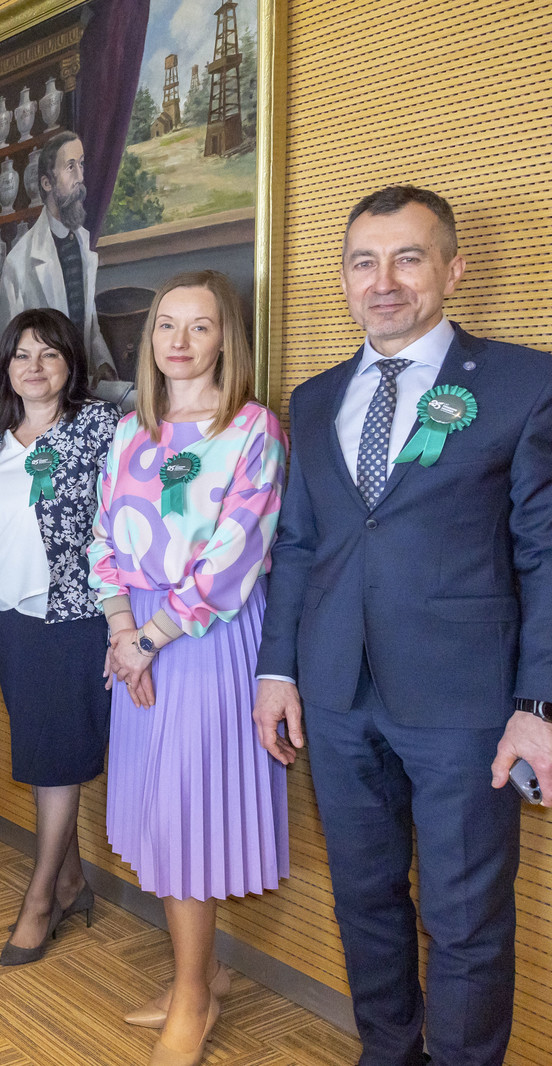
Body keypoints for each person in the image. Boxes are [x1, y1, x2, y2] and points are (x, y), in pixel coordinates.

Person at [252, 186, 552, 1066]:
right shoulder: (315, 399)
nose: (383, 281)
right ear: (346, 278)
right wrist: (278, 671)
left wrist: (538, 704)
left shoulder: (525, 384)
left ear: (452, 271)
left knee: (466, 920)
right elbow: (299, 545)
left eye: (407, 258)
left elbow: (545, 553)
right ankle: (387, 1052)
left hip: (466, 706)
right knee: (365, 899)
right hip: (337, 696)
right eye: (364, 262)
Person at [89, 269, 288, 1066]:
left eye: (199, 326)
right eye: (166, 325)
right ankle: (198, 979)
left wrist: (150, 639)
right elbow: (103, 540)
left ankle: (195, 998)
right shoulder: (130, 430)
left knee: (188, 816)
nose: (179, 341)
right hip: (134, 637)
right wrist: (121, 631)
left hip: (206, 641)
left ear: (225, 339)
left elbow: (236, 555)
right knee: (158, 813)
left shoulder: (252, 430)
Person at [0, 308, 117, 966]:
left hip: (73, 619)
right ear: (6, 367)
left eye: (50, 354)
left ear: (71, 364)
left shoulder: (101, 427)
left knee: (55, 764)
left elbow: (121, 523)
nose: (35, 366)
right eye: (22, 354)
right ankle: (73, 882)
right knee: (48, 757)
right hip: (12, 624)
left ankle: (41, 899)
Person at [0, 131, 117, 391]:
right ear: (47, 183)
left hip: (82, 389)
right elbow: (8, 353)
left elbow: (88, 321)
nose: (80, 177)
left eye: (81, 164)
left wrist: (102, 361)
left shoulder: (81, 242)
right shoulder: (19, 262)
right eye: (70, 167)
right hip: (43, 395)